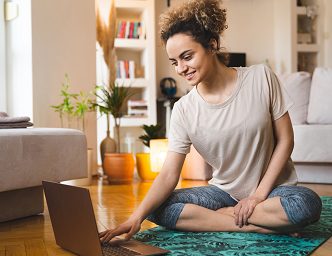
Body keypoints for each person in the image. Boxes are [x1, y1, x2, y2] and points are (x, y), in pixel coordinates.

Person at [100, 0, 322, 243]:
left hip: (273, 193)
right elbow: (168, 175)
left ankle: (223, 218)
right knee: (155, 207)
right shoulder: (183, 109)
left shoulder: (261, 77)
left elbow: (286, 140)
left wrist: (257, 197)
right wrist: (136, 217)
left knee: (306, 204)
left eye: (187, 56)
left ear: (212, 44)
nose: (181, 69)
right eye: (175, 62)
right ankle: (253, 226)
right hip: (223, 194)